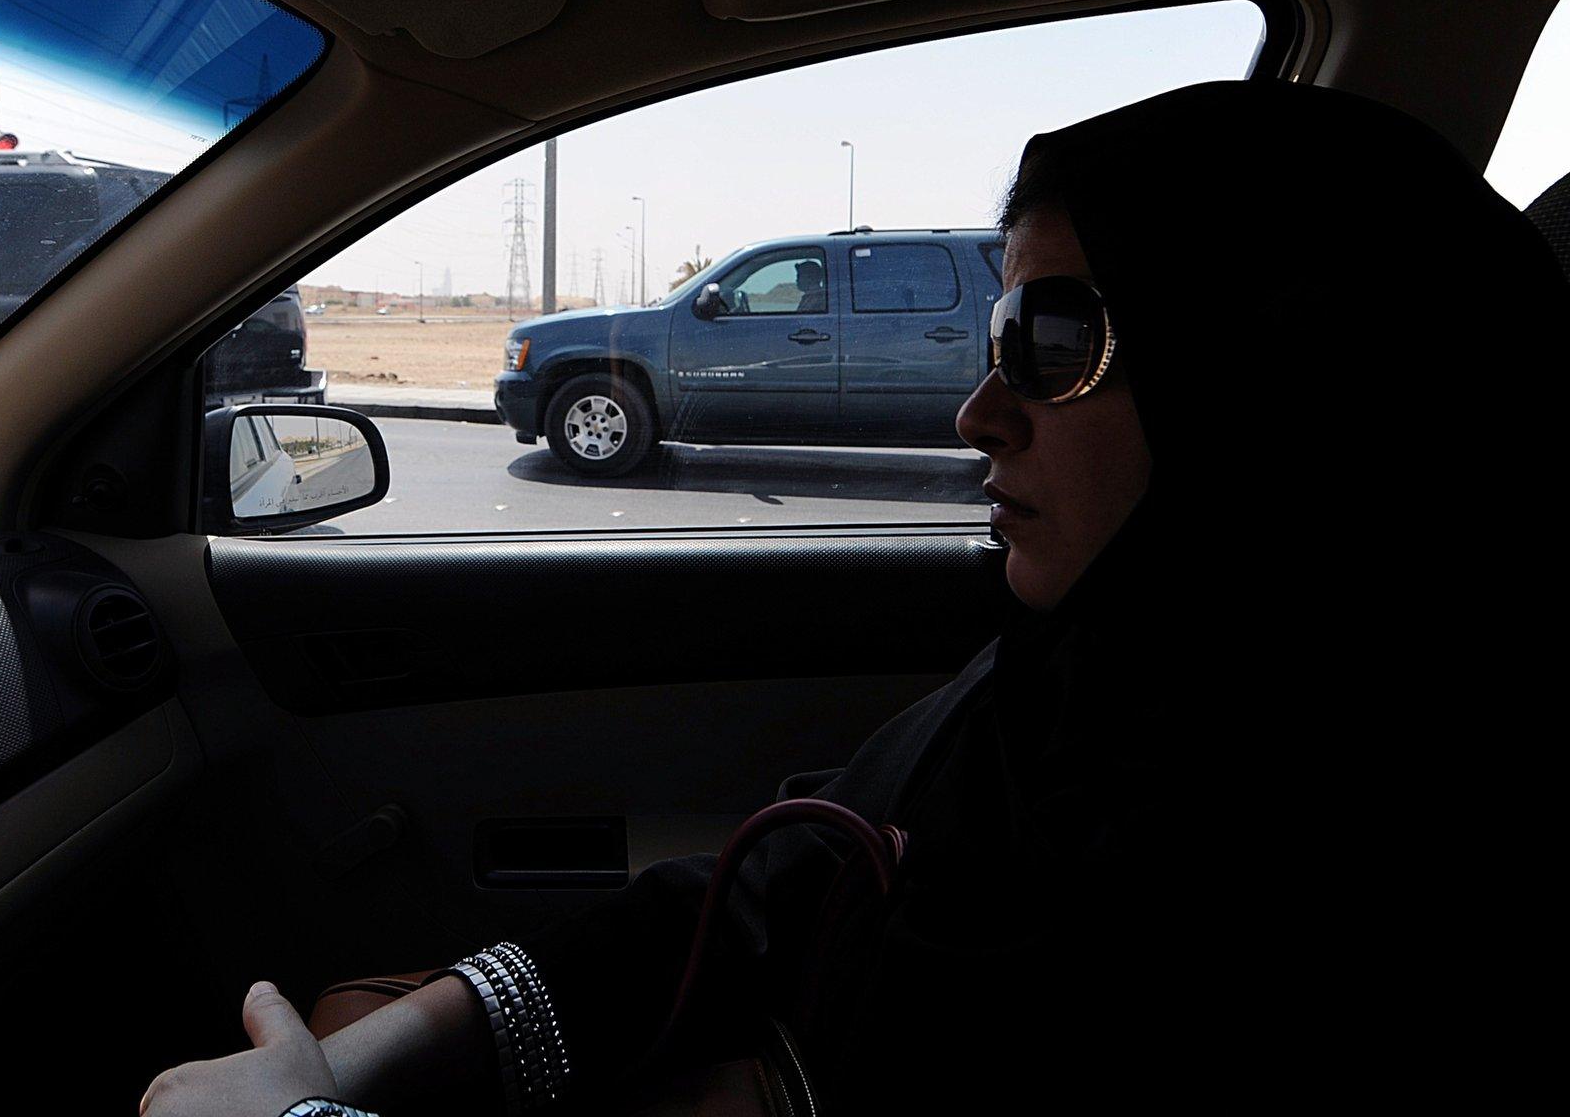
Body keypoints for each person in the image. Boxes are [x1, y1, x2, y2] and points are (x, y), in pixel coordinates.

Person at [140, 79, 1564, 1116]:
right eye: (1002, 327)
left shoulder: (1330, 865)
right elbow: (793, 882)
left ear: (1278, 385)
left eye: (1054, 339)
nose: (976, 410)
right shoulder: (1082, 681)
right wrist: (424, 1038)